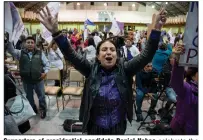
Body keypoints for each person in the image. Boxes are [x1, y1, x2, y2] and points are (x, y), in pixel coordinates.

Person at [38, 6, 167, 135]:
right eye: (104, 50)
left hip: (118, 126)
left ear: (117, 55)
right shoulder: (90, 69)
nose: (108, 52)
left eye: (112, 50)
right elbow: (71, 54)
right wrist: (56, 33)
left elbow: (146, 55)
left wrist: (156, 30)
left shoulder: (126, 69)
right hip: (95, 127)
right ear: (98, 57)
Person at [6, 36, 50, 119]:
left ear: (34, 44)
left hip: (38, 80)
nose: (30, 44)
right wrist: (8, 40)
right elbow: (11, 50)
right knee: (29, 97)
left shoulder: (40, 53)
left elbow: (47, 64)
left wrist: (45, 72)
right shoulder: (20, 53)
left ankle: (43, 109)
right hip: (27, 81)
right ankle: (33, 108)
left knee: (41, 96)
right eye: (28, 42)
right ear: (25, 44)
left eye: (32, 42)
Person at [170, 44, 198, 135]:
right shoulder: (187, 89)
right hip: (183, 131)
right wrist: (178, 61)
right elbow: (176, 81)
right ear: (193, 75)